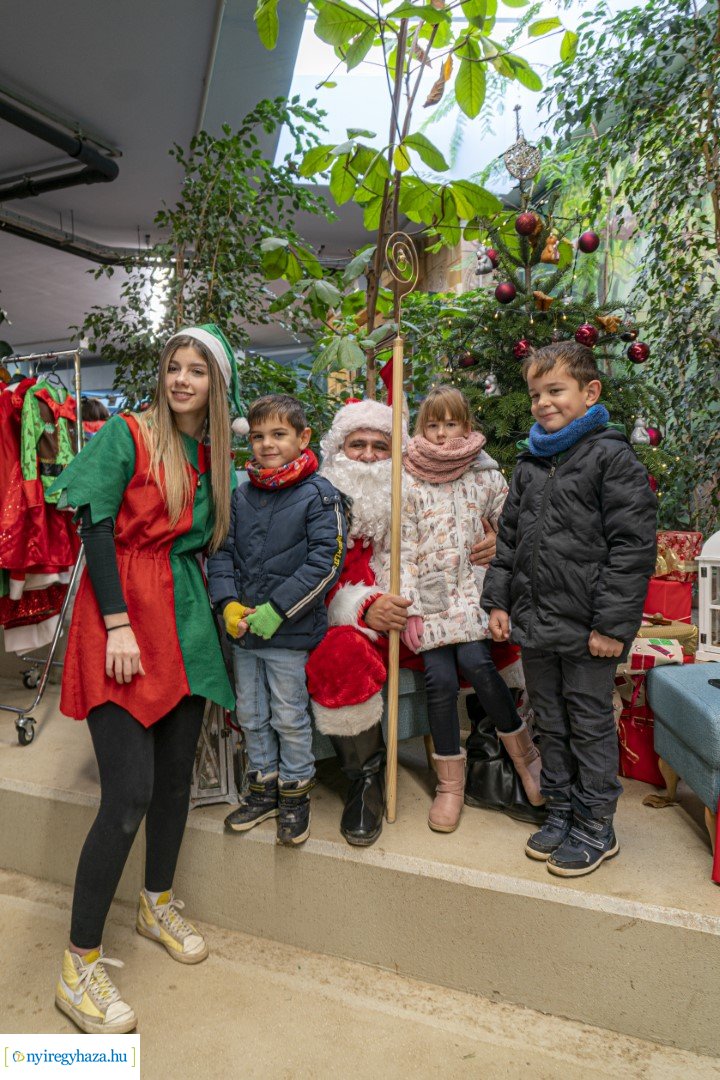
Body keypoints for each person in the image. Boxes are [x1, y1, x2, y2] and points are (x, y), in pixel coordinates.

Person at [50, 324, 245, 1034]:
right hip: (124, 617)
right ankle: (78, 966)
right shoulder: (129, 434)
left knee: (173, 783)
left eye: (197, 370)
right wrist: (118, 622)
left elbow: (215, 543)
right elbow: (94, 527)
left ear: (215, 386)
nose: (181, 379)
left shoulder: (215, 455)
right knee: (127, 795)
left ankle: (156, 900)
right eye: (173, 367)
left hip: (186, 620)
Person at [483, 342, 657, 877]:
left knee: (587, 722)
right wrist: (497, 600)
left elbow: (632, 548)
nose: (542, 403)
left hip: (588, 632)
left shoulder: (612, 457)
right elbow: (508, 542)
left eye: (555, 391)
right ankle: (561, 808)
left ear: (590, 392)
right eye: (536, 394)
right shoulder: (532, 463)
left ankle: (596, 823)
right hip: (536, 625)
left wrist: (611, 625)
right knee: (551, 723)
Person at [305, 398, 500, 847]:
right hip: (361, 624)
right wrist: (362, 607)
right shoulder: (318, 500)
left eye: (380, 445)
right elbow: (313, 578)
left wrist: (494, 541)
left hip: (427, 613)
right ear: (339, 449)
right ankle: (366, 778)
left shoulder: (417, 486)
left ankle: (495, 761)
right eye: (358, 445)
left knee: (494, 639)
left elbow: (476, 514)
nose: (371, 455)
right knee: (339, 656)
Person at [400, 387, 543, 833]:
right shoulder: (407, 478)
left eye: (451, 424)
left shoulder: (485, 474)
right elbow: (400, 547)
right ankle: (450, 786)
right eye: (433, 425)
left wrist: (500, 543)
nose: (442, 435)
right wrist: (408, 607)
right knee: (440, 680)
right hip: (428, 599)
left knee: (478, 663)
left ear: (466, 426)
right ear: (421, 428)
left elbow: (516, 529)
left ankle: (526, 759)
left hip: (471, 592)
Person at [207, 394, 346, 847]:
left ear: (303, 437)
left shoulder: (320, 496)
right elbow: (222, 552)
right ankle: (262, 786)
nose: (267, 445)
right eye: (261, 436)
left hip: (289, 633)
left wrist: (278, 609)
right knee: (249, 712)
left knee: (288, 714)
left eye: (279, 435)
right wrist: (227, 603)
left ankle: (295, 792)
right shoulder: (241, 495)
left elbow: (327, 561)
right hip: (245, 634)